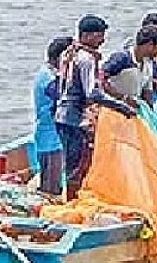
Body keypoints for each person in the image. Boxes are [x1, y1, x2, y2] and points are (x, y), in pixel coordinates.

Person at [55, 15, 135, 200]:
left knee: (69, 163)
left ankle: (69, 198)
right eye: (100, 36)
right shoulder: (86, 59)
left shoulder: (68, 53)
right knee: (77, 166)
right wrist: (121, 107)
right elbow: (92, 94)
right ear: (88, 36)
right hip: (74, 117)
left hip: (61, 115)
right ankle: (72, 202)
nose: (103, 40)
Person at [33, 36, 73, 197]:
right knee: (51, 185)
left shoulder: (46, 73)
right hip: (51, 135)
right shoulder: (50, 79)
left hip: (46, 133)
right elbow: (62, 101)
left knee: (49, 179)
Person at [103, 25, 157, 108]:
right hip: (113, 109)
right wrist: (123, 98)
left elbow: (147, 92)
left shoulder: (149, 64)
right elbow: (101, 79)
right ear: (150, 44)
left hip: (132, 110)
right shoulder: (122, 58)